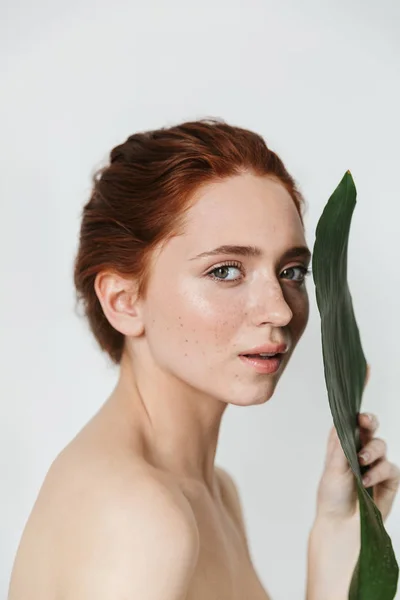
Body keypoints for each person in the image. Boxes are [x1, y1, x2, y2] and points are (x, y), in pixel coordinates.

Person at [7, 119, 400, 600]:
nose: (279, 308)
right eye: (226, 270)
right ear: (124, 300)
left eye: (291, 270)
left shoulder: (213, 491)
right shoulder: (139, 516)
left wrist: (338, 530)